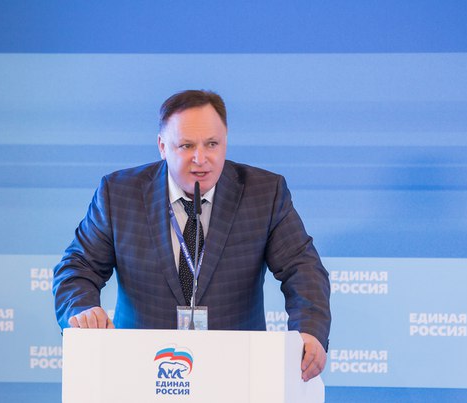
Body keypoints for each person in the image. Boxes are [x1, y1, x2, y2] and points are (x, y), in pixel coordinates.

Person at [53, 90, 331, 381]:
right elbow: (77, 267)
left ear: (225, 141)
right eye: (186, 146)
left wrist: (309, 330)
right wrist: (82, 308)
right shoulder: (120, 194)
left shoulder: (264, 193)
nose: (201, 159)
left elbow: (302, 268)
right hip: (139, 372)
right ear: (162, 146)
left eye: (212, 144)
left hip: (236, 372)